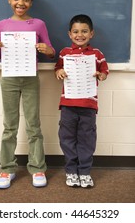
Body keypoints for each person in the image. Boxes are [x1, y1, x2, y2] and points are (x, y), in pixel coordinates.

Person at [0, 0, 55, 189]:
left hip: (30, 77)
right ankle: (6, 169)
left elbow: (52, 51)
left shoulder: (38, 24)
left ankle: (38, 167)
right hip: (8, 78)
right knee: (10, 125)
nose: (21, 2)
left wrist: (46, 49)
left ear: (31, 2)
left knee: (33, 124)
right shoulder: (1, 25)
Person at [55, 14, 109, 188]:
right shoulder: (64, 53)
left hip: (88, 105)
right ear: (70, 34)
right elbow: (57, 69)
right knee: (67, 138)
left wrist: (101, 75)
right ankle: (71, 171)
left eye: (84, 31)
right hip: (68, 105)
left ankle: (84, 172)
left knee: (87, 139)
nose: (80, 35)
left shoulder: (97, 54)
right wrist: (59, 72)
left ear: (91, 34)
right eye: (76, 31)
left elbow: (104, 72)